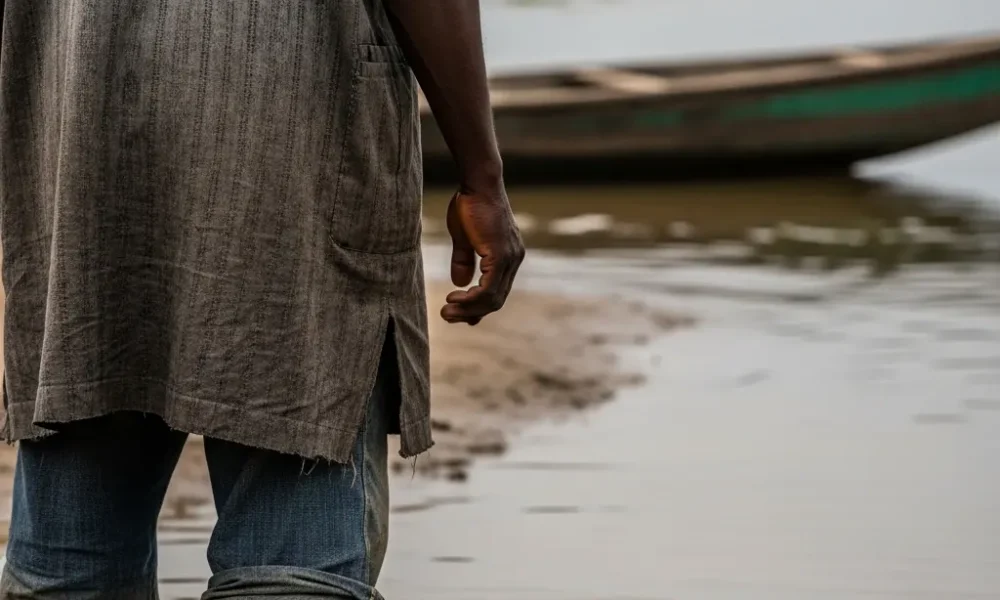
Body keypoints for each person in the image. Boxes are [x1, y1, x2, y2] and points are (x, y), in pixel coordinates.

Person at [0, 0, 524, 598]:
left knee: (69, 575)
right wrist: (481, 175)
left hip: (76, 135)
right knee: (290, 575)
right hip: (289, 140)